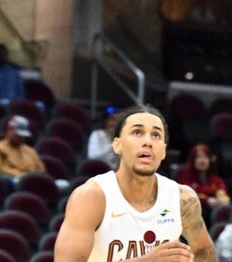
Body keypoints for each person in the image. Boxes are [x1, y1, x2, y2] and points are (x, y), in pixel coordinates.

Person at [54, 104, 216, 261]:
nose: (148, 142)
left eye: (156, 135)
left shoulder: (182, 198)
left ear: (164, 150)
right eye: (137, 132)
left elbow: (203, 251)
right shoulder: (92, 197)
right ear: (117, 145)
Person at [176, 143, 230, 212]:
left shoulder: (215, 179)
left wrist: (223, 198)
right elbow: (188, 195)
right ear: (193, 160)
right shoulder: (183, 176)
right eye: (198, 157)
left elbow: (222, 190)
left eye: (205, 157)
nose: (202, 161)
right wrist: (207, 200)